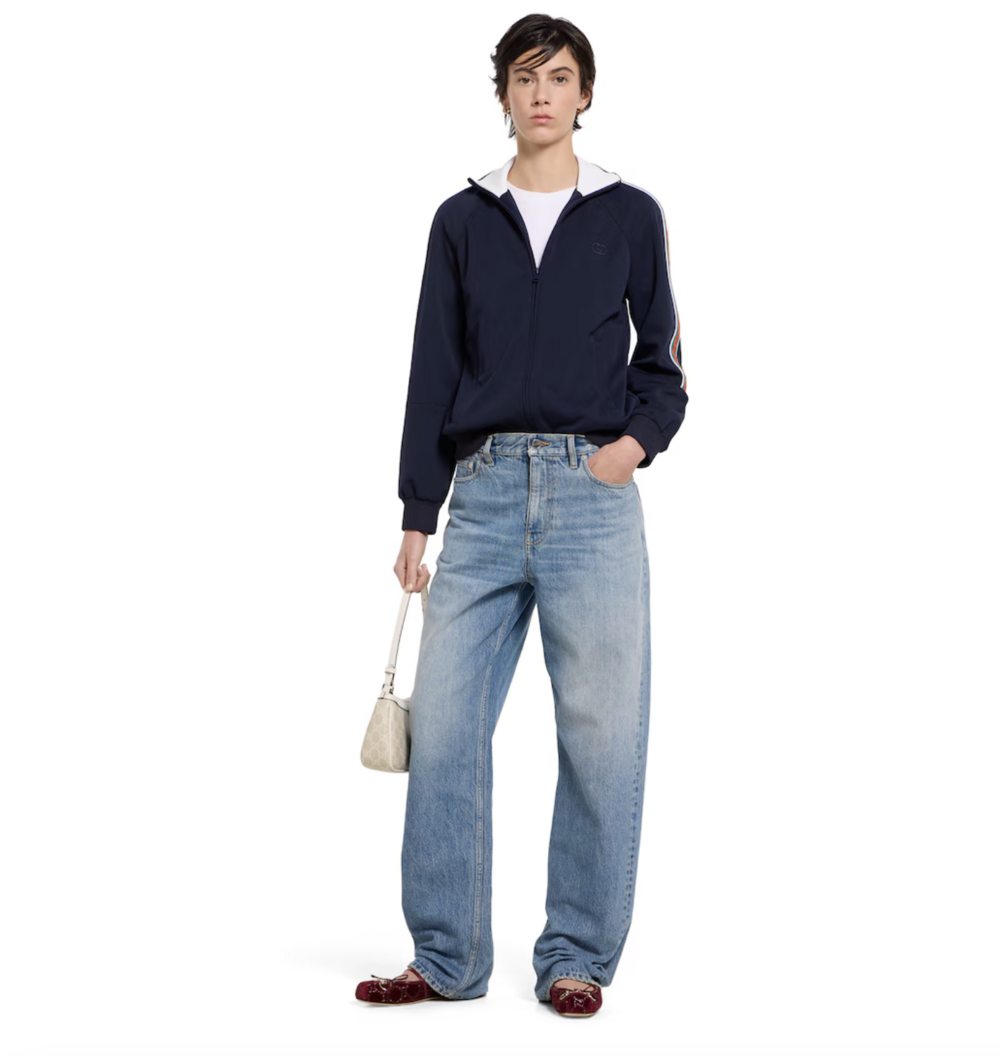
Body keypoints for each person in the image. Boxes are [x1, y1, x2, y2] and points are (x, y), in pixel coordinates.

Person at [356, 13, 687, 1017]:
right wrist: (419, 510)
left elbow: (663, 365)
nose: (542, 93)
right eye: (524, 77)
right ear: (502, 94)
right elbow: (433, 369)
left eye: (560, 77)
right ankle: (446, 956)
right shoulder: (461, 220)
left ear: (586, 94)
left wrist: (630, 448)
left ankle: (576, 955)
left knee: (602, 735)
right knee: (448, 727)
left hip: (594, 499)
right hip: (486, 492)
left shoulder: (630, 214)